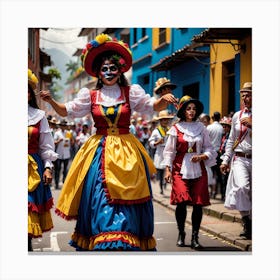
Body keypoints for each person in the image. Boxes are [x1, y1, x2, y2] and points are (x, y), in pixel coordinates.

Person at [40, 33, 178, 251]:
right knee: (98, 193)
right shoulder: (91, 95)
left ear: (120, 70)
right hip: (99, 150)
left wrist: (163, 100)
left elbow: (150, 106)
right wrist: (52, 101)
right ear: (98, 73)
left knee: (131, 191)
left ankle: (127, 232)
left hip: (127, 149)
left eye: (113, 68)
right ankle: (103, 234)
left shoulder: (131, 92)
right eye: (104, 69)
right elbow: (68, 110)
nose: (109, 73)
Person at [162, 95, 217, 249]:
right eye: (188, 108)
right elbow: (169, 151)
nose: (191, 111)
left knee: (197, 204)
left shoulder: (202, 129)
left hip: (198, 169)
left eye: (193, 109)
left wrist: (202, 156)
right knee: (181, 202)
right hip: (180, 168)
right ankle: (181, 233)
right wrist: (167, 169)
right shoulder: (175, 129)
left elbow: (209, 148)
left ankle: (195, 237)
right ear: (183, 111)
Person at [28, 69, 58, 251]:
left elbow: (46, 145)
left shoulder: (38, 116)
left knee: (27, 206)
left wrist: (48, 167)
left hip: (31, 170)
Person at [220, 82, 252, 239]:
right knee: (242, 187)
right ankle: (247, 221)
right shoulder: (237, 116)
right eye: (243, 95)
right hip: (240, 158)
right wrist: (225, 160)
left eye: (249, 95)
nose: (246, 98)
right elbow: (231, 139)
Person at [148, 110, 173, 195]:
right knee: (161, 172)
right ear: (160, 121)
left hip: (168, 153)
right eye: (164, 119)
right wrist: (156, 143)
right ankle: (161, 187)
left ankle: (165, 183)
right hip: (160, 153)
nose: (166, 121)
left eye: (167, 119)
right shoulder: (156, 131)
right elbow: (150, 142)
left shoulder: (170, 130)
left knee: (168, 170)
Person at [207, 111, 223, 198]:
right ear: (220, 118)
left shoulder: (209, 127)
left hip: (210, 152)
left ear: (213, 118)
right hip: (219, 152)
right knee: (218, 173)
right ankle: (217, 192)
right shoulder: (222, 128)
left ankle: (211, 191)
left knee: (210, 172)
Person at [53, 119, 71, 189]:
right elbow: (54, 142)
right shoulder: (57, 133)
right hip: (59, 154)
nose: (63, 127)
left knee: (65, 170)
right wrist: (58, 141)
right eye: (62, 125)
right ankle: (56, 183)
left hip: (66, 154)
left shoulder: (68, 133)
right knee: (58, 169)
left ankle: (64, 183)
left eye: (64, 125)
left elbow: (71, 143)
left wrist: (72, 141)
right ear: (60, 126)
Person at [218, 116, 232, 201]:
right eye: (222, 126)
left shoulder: (231, 136)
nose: (223, 128)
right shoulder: (223, 135)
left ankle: (227, 196)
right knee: (222, 179)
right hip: (222, 157)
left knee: (226, 179)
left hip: (228, 159)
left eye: (225, 126)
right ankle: (223, 195)